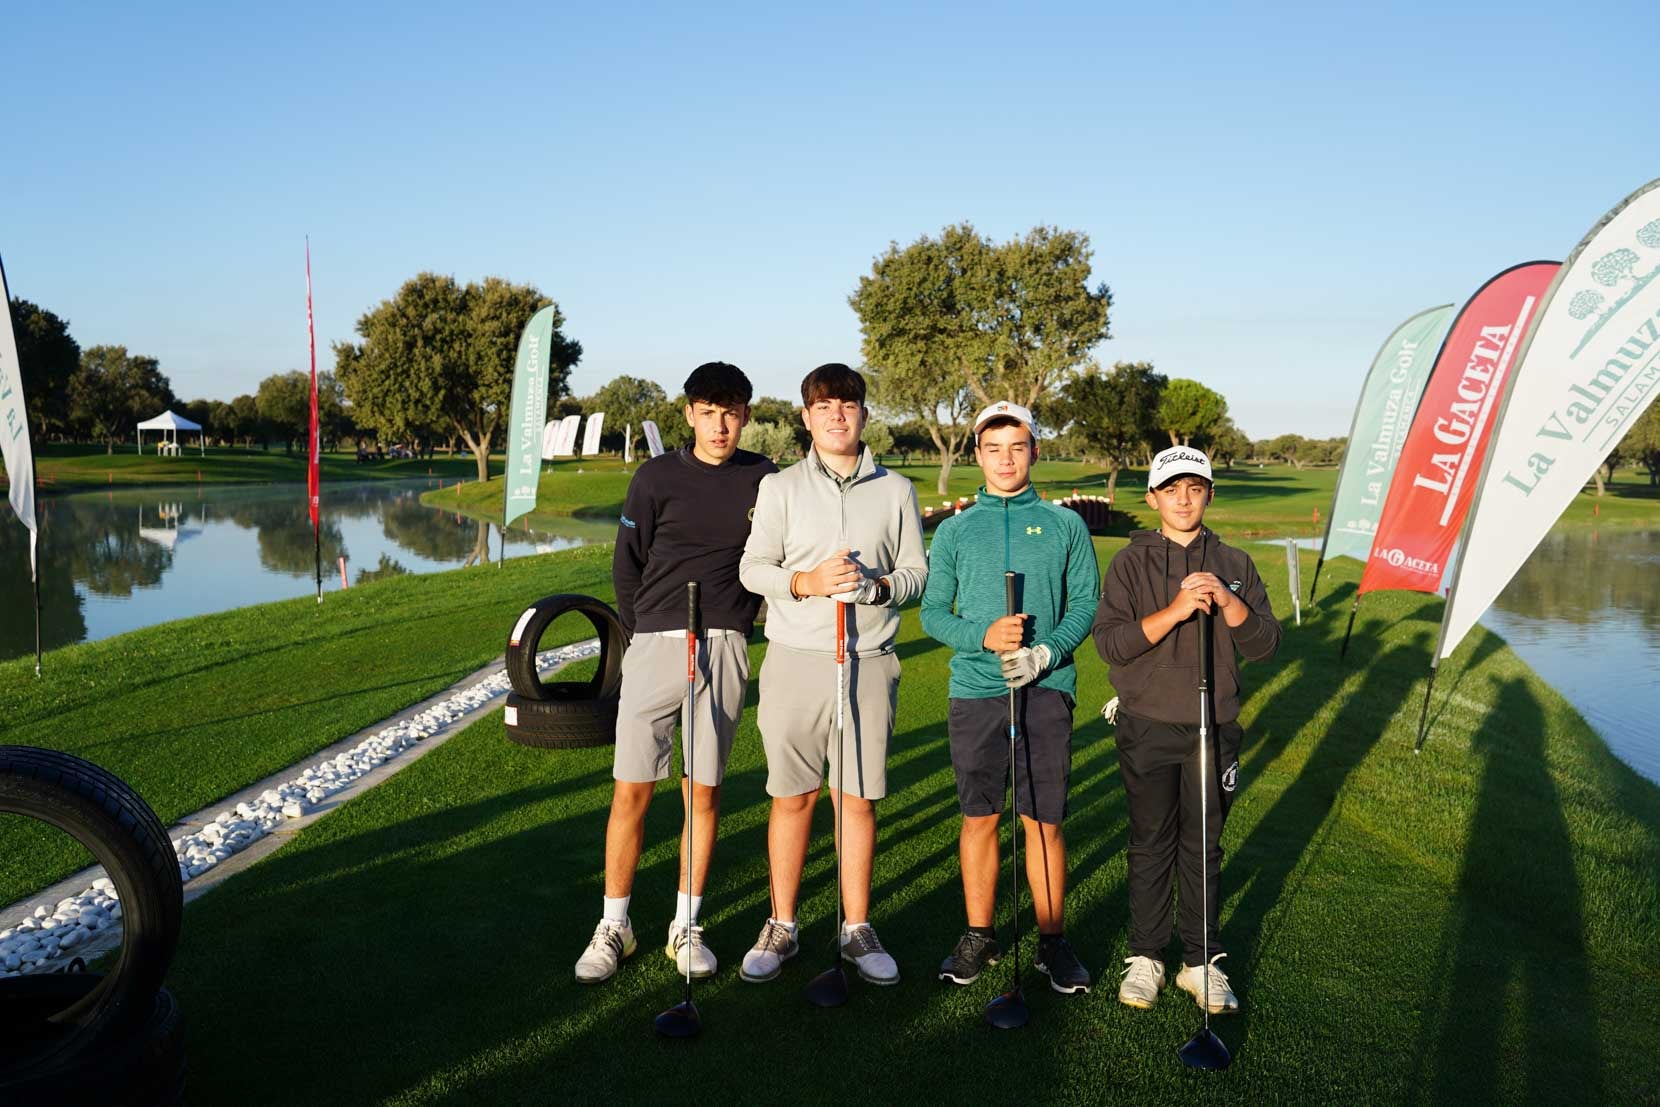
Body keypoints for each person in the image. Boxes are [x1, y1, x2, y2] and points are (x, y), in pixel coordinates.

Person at [573, 362, 777, 985]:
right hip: (657, 642)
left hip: (723, 644)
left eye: (731, 412)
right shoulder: (655, 476)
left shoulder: (765, 479)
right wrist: (642, 632)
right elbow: (627, 564)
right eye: (708, 412)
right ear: (688, 414)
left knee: (703, 791)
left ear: (746, 415)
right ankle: (615, 924)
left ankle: (685, 924)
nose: (720, 425)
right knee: (632, 788)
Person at [736, 363, 928, 986]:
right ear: (806, 417)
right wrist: (805, 582)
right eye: (824, 407)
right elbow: (753, 568)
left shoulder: (896, 489)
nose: (837, 416)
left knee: (857, 800)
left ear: (864, 415)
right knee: (793, 796)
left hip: (870, 662)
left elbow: (916, 576)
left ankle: (855, 928)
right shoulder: (781, 487)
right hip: (796, 659)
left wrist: (875, 589)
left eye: (848, 405)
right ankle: (783, 924)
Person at [1092, 445, 1281, 1013]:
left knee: (1203, 847)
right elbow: (1112, 644)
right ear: (1152, 498)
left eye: (1194, 489)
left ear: (1209, 496)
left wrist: (1227, 600)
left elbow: (1266, 645)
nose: (1183, 499)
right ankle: (1147, 957)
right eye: (1171, 489)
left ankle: (1200, 962)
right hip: (1148, 724)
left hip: (1213, 725)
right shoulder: (1130, 564)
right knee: (1150, 843)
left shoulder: (1236, 563)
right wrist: (1175, 610)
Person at [920, 401, 1100, 994]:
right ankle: (980, 933)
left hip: (1045, 691)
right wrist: (984, 636)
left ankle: (1052, 941)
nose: (1005, 459)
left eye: (1017, 447)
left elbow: (1084, 606)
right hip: (976, 692)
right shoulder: (954, 529)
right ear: (977, 454)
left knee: (1043, 821)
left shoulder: (1064, 525)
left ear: (1034, 453)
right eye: (993, 449)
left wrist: (1044, 653)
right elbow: (931, 613)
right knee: (979, 819)